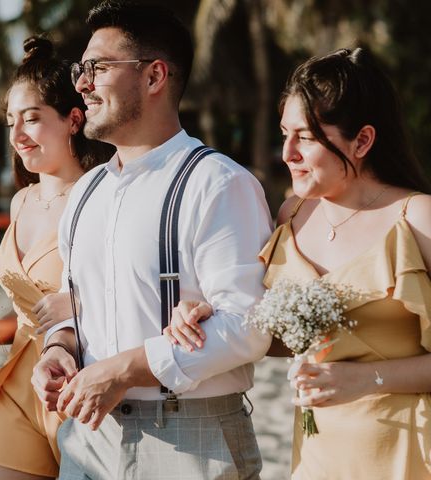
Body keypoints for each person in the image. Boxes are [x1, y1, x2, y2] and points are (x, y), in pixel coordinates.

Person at [30, 2, 272, 478]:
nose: (81, 83)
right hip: (89, 439)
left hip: (191, 438)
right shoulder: (85, 193)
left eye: (97, 68)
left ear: (155, 76)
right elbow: (80, 308)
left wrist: (124, 370)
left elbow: (249, 325)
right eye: (81, 69)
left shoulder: (217, 183)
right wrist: (59, 349)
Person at [165, 47, 431, 480]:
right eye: (285, 133)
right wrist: (208, 313)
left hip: (408, 454)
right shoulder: (292, 213)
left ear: (362, 140)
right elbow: (274, 336)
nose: (287, 152)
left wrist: (367, 379)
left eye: (305, 137)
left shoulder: (417, 218)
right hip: (317, 454)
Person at [0, 36, 113, 480]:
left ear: (74, 120)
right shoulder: (21, 201)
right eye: (10, 122)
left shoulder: (105, 198)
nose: (17, 135)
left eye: (32, 119)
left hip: (81, 388)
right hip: (21, 384)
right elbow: (30, 311)